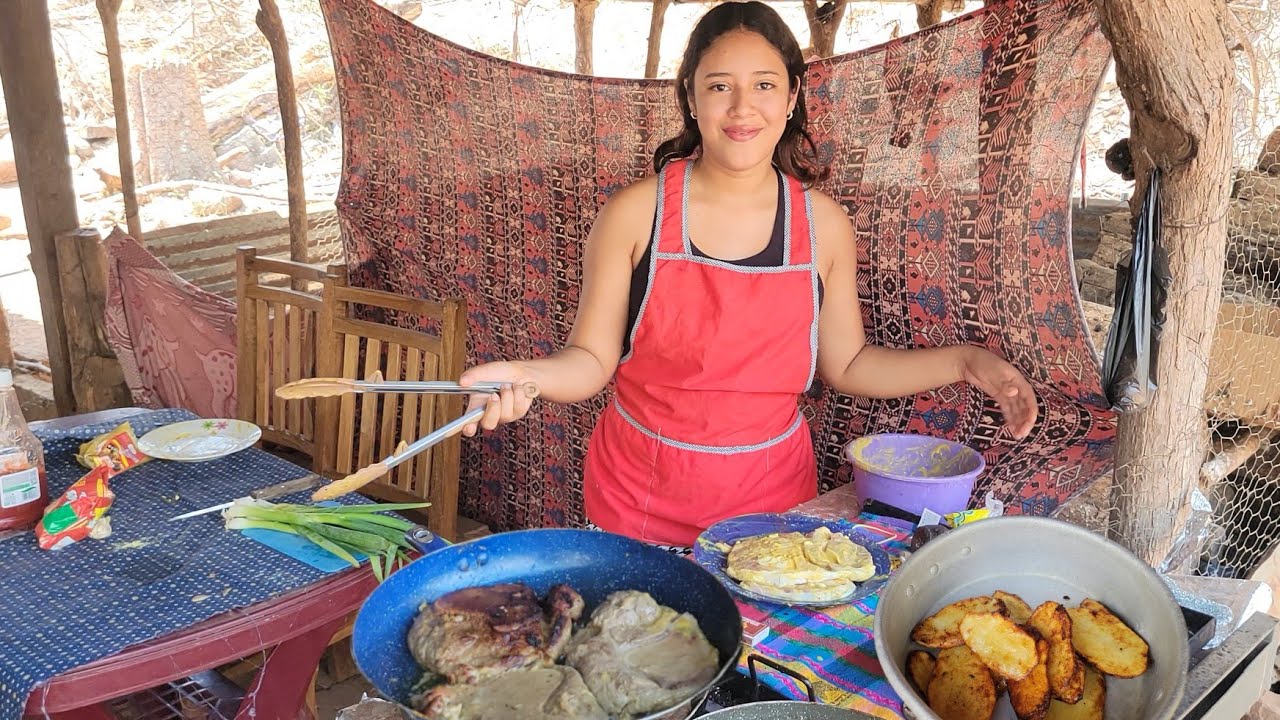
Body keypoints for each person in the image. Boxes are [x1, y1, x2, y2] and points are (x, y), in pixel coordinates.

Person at [457, 1, 1038, 551]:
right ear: (690, 97)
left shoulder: (824, 226)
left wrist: (965, 362)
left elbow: (850, 364)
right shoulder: (635, 214)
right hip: (637, 500)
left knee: (756, 656)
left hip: (772, 507)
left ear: (790, 99)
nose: (742, 107)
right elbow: (590, 360)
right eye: (719, 86)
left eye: (764, 84)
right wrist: (526, 375)